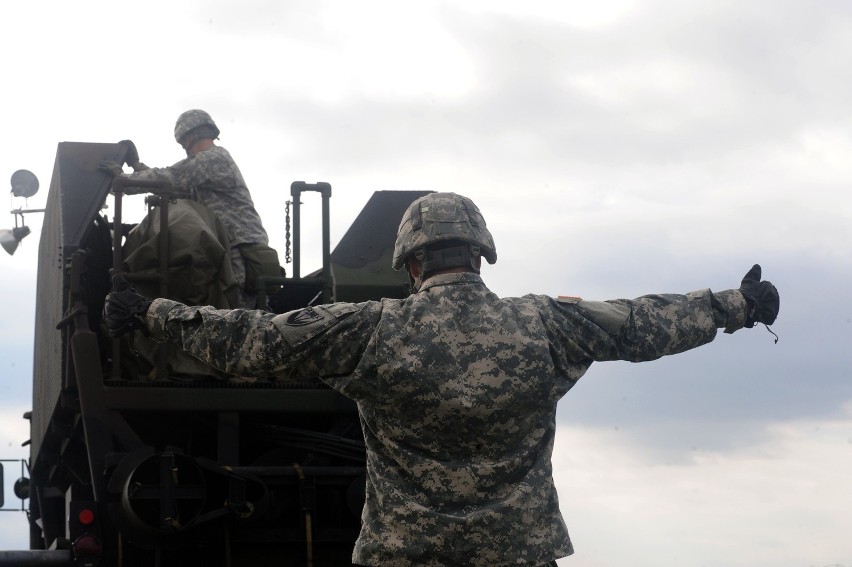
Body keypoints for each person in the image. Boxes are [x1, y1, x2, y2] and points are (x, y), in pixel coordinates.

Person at [103, 192, 780, 567]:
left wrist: (153, 312)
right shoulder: (544, 325)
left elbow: (250, 343)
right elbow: (640, 323)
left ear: (410, 263)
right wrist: (736, 306)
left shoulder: (371, 329)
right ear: (481, 254)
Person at [100, 109, 277, 308]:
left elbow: (172, 177)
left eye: (183, 141)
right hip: (231, 250)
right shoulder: (204, 172)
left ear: (191, 135)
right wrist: (138, 167)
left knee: (239, 315)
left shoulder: (214, 158)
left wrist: (122, 180)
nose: (184, 147)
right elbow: (172, 189)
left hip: (241, 253)